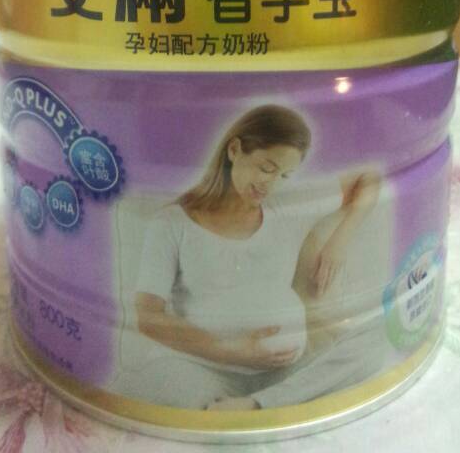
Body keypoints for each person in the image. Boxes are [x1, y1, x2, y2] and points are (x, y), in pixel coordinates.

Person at [130, 105, 382, 410]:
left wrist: (338, 242)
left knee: (376, 338)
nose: (270, 184)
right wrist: (230, 351)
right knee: (156, 384)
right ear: (234, 150)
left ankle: (254, 405)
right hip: (202, 370)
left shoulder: (286, 208)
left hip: (285, 375)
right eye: (266, 168)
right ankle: (251, 407)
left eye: (284, 175)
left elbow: (368, 177)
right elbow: (148, 317)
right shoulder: (172, 223)